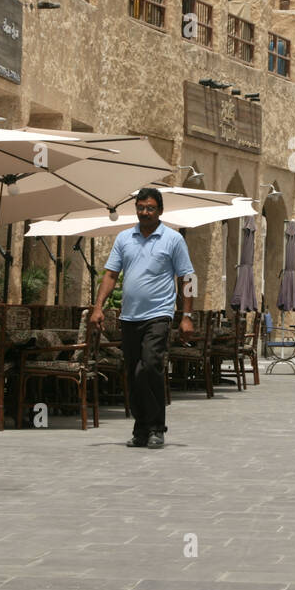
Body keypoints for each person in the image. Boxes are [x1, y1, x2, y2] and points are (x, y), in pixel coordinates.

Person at [89, 187, 196, 449]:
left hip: (159, 315)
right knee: (133, 373)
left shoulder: (173, 239)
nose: (144, 212)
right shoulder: (125, 238)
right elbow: (111, 275)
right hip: (130, 317)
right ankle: (141, 428)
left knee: (150, 366)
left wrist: (187, 316)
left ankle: (157, 427)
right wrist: (98, 307)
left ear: (160, 210)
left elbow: (188, 278)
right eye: (140, 207)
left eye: (150, 208)